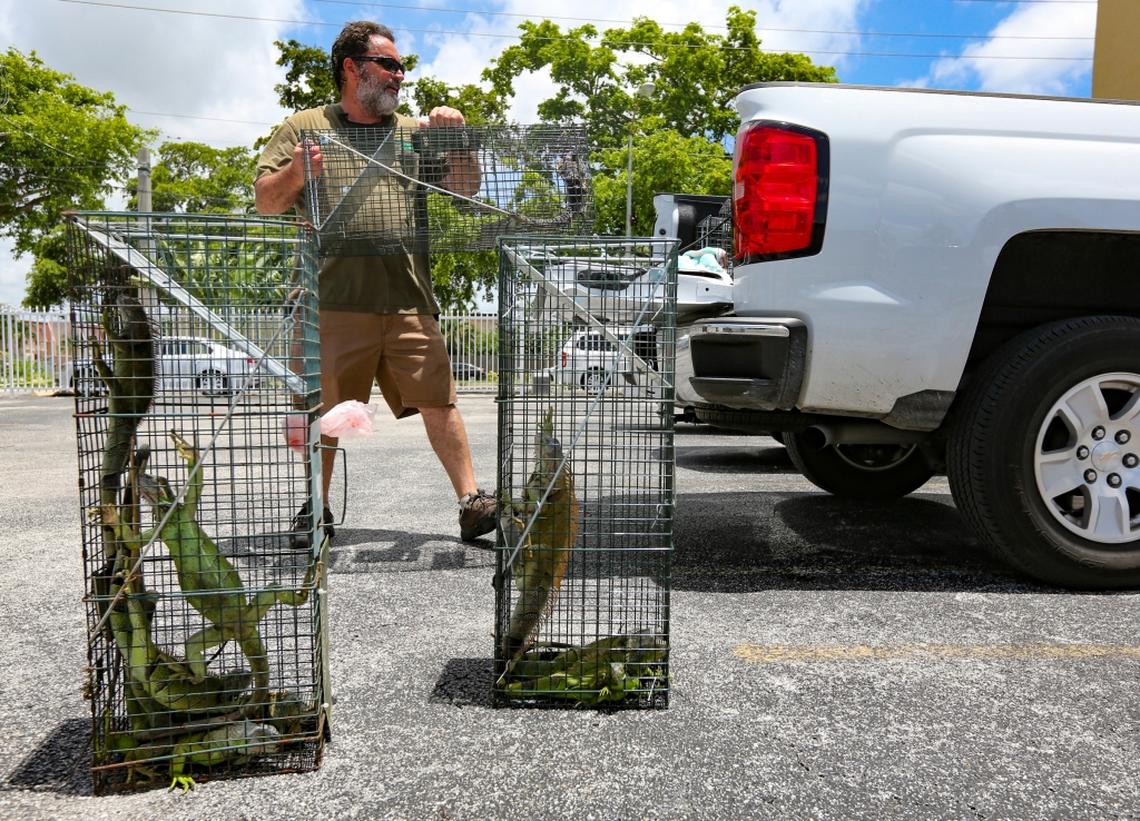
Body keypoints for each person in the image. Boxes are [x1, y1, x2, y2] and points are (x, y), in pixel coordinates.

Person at [254, 20, 496, 546]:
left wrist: (457, 141)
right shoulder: (304, 127)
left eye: (402, 67)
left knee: (440, 400)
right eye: (388, 65)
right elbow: (266, 200)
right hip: (331, 301)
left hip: (407, 296)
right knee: (323, 411)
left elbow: (465, 188)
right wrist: (298, 171)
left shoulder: (414, 131)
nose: (399, 77)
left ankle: (472, 502)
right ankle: (314, 509)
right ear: (352, 67)